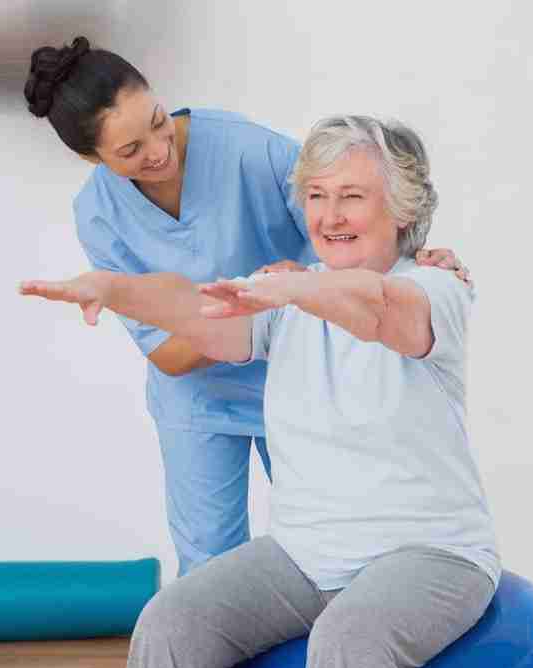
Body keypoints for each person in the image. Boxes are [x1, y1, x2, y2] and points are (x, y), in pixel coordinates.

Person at [21, 115, 499, 668]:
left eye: (351, 197)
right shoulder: (288, 293)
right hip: (305, 556)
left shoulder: (435, 287)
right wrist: (115, 289)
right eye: (318, 197)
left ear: (402, 209)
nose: (328, 217)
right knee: (170, 623)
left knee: (350, 639)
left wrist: (297, 289)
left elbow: (378, 310)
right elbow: (196, 314)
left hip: (431, 554)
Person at [24, 37, 472, 576]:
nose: (158, 149)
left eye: (158, 120)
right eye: (130, 151)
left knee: (344, 548)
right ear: (89, 157)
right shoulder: (98, 213)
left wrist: (417, 257)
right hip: (199, 401)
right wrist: (248, 309)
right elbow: (166, 353)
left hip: (307, 381)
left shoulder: (248, 151)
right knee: (209, 565)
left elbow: (352, 230)